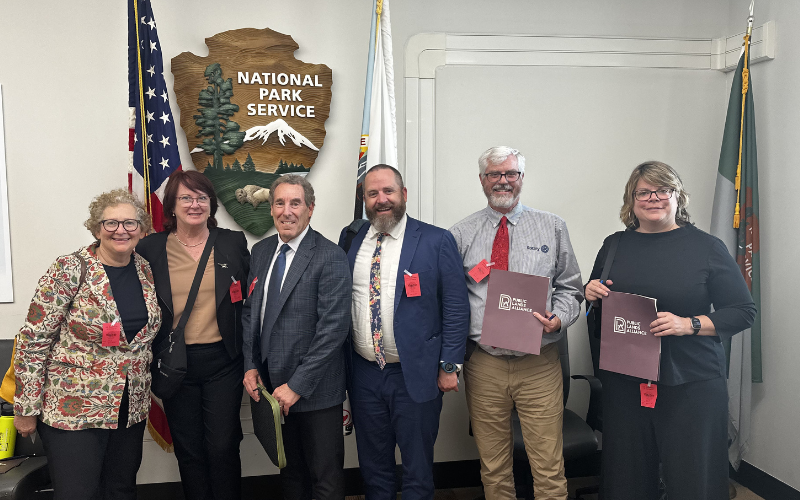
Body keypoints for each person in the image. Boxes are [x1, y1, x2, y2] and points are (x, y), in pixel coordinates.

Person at [584, 161, 756, 500]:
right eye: (643, 192)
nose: (653, 198)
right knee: (626, 477)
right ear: (631, 200)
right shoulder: (614, 245)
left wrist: (687, 324)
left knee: (693, 478)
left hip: (690, 382)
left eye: (663, 190)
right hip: (627, 380)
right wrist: (590, 293)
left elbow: (742, 311)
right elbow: (599, 299)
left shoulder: (706, 248)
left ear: (678, 196)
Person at [449, 146, 583, 500]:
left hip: (538, 364)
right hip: (485, 364)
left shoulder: (553, 227)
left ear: (521, 179)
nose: (503, 181)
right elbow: (450, 299)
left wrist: (560, 318)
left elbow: (572, 289)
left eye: (511, 174)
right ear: (482, 180)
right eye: (495, 174)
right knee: (493, 467)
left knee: (549, 466)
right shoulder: (461, 234)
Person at [14, 189, 161, 500]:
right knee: (77, 494)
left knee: (120, 490)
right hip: (73, 409)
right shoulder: (69, 268)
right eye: (111, 223)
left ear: (142, 230)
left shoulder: (144, 269)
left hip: (128, 406)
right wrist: (26, 407)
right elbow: (33, 340)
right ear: (96, 229)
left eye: (130, 223)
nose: (121, 230)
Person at [338, 165, 470, 500]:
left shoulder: (436, 240)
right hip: (364, 375)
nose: (381, 200)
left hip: (417, 374)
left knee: (417, 468)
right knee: (373, 466)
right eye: (372, 193)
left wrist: (449, 366)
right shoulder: (351, 239)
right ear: (364, 200)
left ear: (404, 195)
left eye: (388, 192)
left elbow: (455, 308)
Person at [136, 170, 250, 500]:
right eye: (186, 197)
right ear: (171, 205)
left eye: (201, 198)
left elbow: (248, 299)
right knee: (189, 450)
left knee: (223, 446)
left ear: (211, 204)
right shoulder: (150, 248)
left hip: (224, 363)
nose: (195, 204)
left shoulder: (232, 242)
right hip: (175, 364)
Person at [242, 175, 351, 500]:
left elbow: (333, 331)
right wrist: (250, 365)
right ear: (271, 208)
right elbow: (251, 313)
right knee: (290, 476)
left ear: (310, 209)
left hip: (316, 393)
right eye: (279, 203)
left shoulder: (330, 256)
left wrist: (297, 386)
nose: (286, 211)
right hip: (273, 392)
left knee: (325, 481)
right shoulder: (260, 252)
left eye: (295, 203)